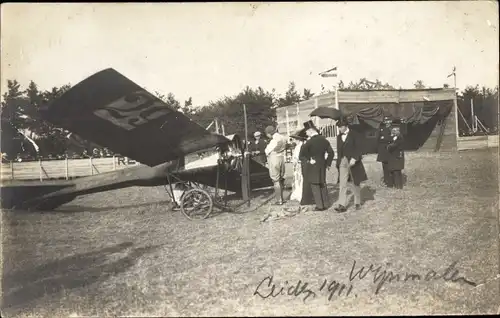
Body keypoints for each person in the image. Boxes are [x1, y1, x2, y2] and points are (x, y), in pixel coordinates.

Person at [299, 120, 335, 211]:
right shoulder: (324, 140)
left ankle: (319, 206)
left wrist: (308, 160)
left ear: (311, 130)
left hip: (313, 164)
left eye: (306, 131)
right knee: (322, 183)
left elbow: (301, 155)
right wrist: (328, 163)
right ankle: (326, 204)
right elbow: (331, 153)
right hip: (322, 164)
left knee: (315, 184)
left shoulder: (309, 142)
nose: (306, 133)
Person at [334, 117, 368, 212]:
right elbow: (339, 151)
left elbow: (359, 148)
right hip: (343, 161)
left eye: (341, 127)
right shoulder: (338, 137)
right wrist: (339, 162)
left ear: (346, 126)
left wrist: (355, 158)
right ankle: (341, 204)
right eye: (338, 127)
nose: (340, 129)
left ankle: (357, 202)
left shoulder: (355, 134)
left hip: (353, 161)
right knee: (342, 183)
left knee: (355, 182)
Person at [264, 125, 288, 205]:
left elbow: (267, 151)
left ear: (269, 133)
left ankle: (279, 200)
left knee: (275, 180)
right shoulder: (283, 137)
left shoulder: (274, 140)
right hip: (281, 158)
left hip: (274, 159)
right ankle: (282, 198)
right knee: (281, 179)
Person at [289, 129, 307, 202]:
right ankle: (299, 193)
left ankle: (300, 194)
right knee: (299, 179)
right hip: (299, 165)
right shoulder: (301, 145)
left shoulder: (299, 147)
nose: (294, 140)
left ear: (298, 139)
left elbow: (297, 157)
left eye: (295, 139)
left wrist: (294, 161)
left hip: (299, 165)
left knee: (299, 179)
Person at [376, 116, 393, 186]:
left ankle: (392, 182)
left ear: (391, 121)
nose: (387, 122)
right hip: (383, 151)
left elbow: (395, 140)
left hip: (391, 150)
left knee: (392, 167)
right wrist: (386, 139)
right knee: (385, 167)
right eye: (386, 121)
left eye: (388, 121)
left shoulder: (394, 129)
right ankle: (387, 182)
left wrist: (384, 139)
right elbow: (378, 139)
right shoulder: (381, 129)